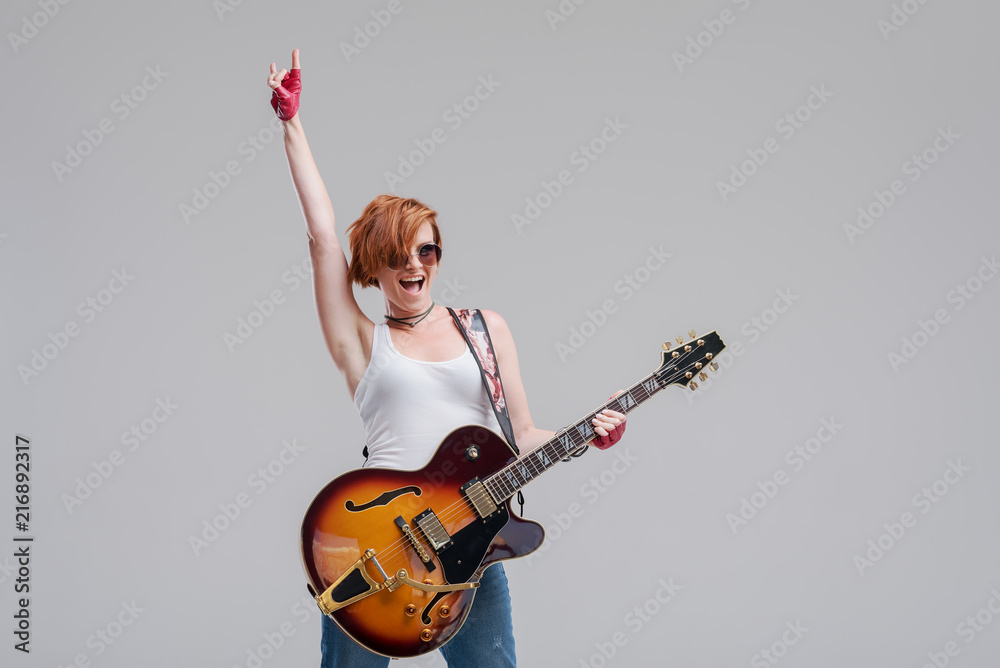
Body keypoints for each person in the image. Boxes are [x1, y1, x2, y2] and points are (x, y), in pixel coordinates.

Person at [267, 49, 626, 667]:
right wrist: (292, 125)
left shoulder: (486, 330)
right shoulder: (362, 343)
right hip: (374, 546)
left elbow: (522, 436)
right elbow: (323, 239)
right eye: (398, 256)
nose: (414, 265)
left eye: (427, 251)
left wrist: (588, 432)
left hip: (470, 543)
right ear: (374, 267)